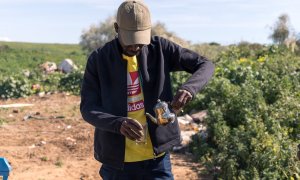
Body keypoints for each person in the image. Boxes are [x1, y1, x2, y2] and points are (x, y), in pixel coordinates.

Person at [80, 0, 214, 179]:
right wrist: (117, 124)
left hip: (157, 160)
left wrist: (189, 89)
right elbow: (88, 108)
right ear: (116, 28)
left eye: (140, 41)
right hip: (117, 162)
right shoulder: (99, 59)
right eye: (130, 41)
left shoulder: (160, 49)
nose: (135, 47)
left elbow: (205, 65)